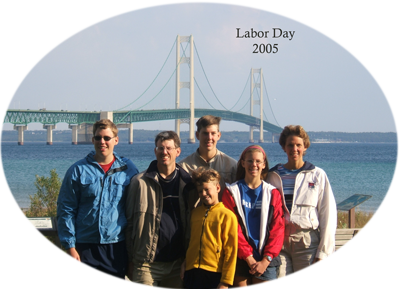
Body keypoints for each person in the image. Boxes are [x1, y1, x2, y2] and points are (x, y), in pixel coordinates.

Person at [57, 119, 139, 289]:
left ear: (116, 140)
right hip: (85, 247)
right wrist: (70, 246)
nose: (102, 142)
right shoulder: (77, 170)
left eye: (107, 138)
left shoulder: (128, 169)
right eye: (98, 138)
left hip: (116, 246)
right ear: (93, 140)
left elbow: (136, 206)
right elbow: (66, 209)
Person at [125, 131, 198, 289]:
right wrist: (130, 260)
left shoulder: (188, 184)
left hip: (177, 263)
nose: (164, 152)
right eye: (160, 148)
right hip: (145, 263)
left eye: (169, 148)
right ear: (155, 151)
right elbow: (129, 223)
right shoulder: (139, 183)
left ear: (178, 151)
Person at [266, 125, 337, 285]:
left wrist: (324, 251)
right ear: (284, 147)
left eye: (298, 145)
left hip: (307, 241)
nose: (294, 149)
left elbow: (328, 213)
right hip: (279, 241)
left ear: (305, 147)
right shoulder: (272, 175)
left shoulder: (317, 175)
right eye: (290, 145)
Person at [222, 145, 284, 288]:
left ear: (263, 165)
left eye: (258, 161)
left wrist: (266, 259)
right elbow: (232, 229)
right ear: (243, 163)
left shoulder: (272, 193)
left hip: (266, 258)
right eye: (250, 161)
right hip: (240, 256)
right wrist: (248, 257)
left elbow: (278, 229)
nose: (254, 165)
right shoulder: (231, 192)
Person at [181, 167, 238, 289]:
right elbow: (191, 242)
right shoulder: (195, 213)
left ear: (217, 188)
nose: (204, 194)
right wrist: (186, 263)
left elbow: (231, 251)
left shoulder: (227, 216)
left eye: (207, 190)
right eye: (200, 191)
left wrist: (226, 281)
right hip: (192, 272)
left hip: (214, 273)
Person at [179, 115, 237, 197]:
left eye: (213, 133)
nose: (209, 137)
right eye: (205, 133)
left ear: (219, 135)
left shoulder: (232, 166)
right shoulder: (183, 167)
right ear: (197, 135)